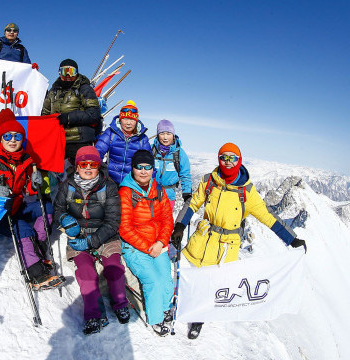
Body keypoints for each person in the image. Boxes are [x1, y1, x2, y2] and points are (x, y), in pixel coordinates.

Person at [171, 142, 307, 339]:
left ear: (239, 160)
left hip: (226, 246)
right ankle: (184, 307)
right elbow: (192, 203)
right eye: (223, 157)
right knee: (193, 276)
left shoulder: (246, 191)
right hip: (203, 239)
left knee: (215, 283)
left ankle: (199, 317)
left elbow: (267, 217)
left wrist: (292, 239)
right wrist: (180, 226)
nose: (227, 162)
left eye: (232, 158)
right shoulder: (209, 181)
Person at [0, 108, 65, 291]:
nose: (12, 140)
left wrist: (34, 186)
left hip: (19, 205)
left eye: (17, 136)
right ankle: (36, 274)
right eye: (7, 136)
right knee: (23, 229)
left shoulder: (26, 160)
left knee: (46, 208)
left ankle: (39, 250)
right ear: (0, 138)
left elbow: (26, 189)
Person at [53, 146, 128, 335]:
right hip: (78, 237)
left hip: (105, 237)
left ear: (98, 167)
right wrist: (64, 219)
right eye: (83, 164)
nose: (88, 168)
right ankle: (93, 316)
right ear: (77, 166)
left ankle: (120, 303)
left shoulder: (108, 187)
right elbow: (58, 210)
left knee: (114, 269)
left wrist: (91, 241)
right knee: (86, 273)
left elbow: (113, 221)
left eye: (92, 164)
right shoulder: (67, 186)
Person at [119, 150, 175, 336]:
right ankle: (156, 319)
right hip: (135, 248)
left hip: (157, 244)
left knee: (167, 279)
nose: (143, 171)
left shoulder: (157, 189)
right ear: (133, 168)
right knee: (153, 281)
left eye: (147, 167)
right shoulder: (126, 192)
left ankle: (166, 308)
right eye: (139, 167)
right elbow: (125, 228)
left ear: (153, 169)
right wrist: (147, 247)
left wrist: (160, 242)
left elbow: (167, 218)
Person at [41, 59, 102, 164]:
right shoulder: (53, 91)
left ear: (77, 73)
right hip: (57, 141)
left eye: (71, 71)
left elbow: (94, 114)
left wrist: (68, 118)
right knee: (56, 173)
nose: (68, 75)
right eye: (65, 71)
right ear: (59, 73)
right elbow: (45, 114)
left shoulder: (84, 89)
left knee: (78, 173)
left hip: (79, 141)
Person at [95, 100, 151, 184]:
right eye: (125, 119)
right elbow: (98, 151)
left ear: (136, 122)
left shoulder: (142, 139)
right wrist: (99, 171)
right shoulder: (111, 133)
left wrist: (152, 184)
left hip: (131, 182)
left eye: (132, 120)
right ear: (120, 120)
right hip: (110, 179)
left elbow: (148, 162)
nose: (128, 123)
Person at [152, 119, 192, 212]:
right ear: (158, 135)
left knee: (165, 223)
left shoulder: (179, 153)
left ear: (173, 135)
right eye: (162, 133)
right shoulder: (151, 150)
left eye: (168, 134)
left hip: (169, 196)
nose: (165, 137)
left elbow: (185, 174)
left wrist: (187, 192)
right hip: (151, 194)